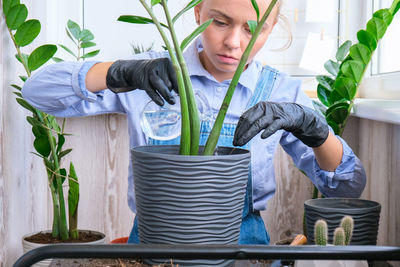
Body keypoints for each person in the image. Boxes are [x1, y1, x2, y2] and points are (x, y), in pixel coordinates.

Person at [22, 0, 366, 245]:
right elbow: (37, 91)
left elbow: (347, 188)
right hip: (153, 248)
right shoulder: (150, 74)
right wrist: (118, 72)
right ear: (198, 11)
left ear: (272, 28)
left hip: (243, 252)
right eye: (219, 21)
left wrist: (316, 131)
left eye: (252, 29)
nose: (234, 42)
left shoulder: (282, 92)